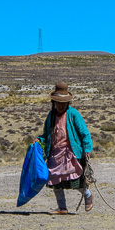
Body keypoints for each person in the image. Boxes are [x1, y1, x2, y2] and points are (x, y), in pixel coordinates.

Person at [33, 82, 93, 215]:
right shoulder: (51, 116)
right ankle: (62, 207)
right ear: (53, 102)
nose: (60, 105)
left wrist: (87, 149)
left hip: (70, 153)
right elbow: (46, 134)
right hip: (55, 154)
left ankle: (88, 196)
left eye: (63, 102)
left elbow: (84, 134)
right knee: (54, 179)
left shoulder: (73, 114)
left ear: (68, 103)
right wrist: (39, 140)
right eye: (58, 102)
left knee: (76, 180)